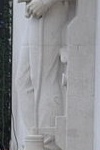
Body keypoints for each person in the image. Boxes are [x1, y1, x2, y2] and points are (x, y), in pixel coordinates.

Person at [16, 0, 72, 138]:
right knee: (23, 81)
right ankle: (35, 138)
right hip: (36, 10)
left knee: (44, 80)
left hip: (51, 9)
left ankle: (48, 141)